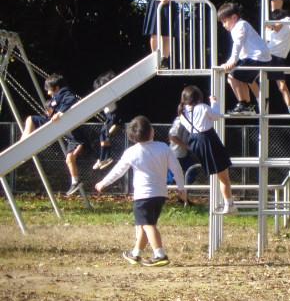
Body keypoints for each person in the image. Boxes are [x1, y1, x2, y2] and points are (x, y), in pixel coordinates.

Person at [95, 116, 185, 267]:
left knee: (147, 224)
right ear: (152, 131)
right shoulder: (163, 147)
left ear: (132, 137)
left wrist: (103, 183)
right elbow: (176, 168)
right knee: (145, 224)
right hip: (160, 195)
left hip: (143, 195)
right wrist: (181, 188)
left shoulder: (132, 152)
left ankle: (160, 254)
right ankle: (135, 253)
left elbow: (118, 171)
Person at [22, 73, 87, 196]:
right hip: (67, 133)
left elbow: (71, 100)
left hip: (76, 137)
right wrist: (52, 113)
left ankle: (75, 182)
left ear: (56, 88)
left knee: (69, 158)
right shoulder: (54, 99)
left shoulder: (64, 93)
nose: (48, 93)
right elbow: (52, 110)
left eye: (49, 90)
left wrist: (60, 113)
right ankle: (24, 142)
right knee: (31, 119)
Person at [177, 85, 237, 214]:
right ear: (198, 96)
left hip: (195, 142)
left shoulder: (182, 112)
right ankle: (229, 204)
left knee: (220, 175)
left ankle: (228, 203)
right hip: (208, 140)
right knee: (224, 177)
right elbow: (216, 116)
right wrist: (214, 102)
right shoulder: (202, 107)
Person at [218, 2, 272, 115]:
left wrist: (231, 62)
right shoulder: (240, 26)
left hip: (258, 57)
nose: (223, 25)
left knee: (231, 77)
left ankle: (245, 104)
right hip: (258, 57)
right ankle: (256, 102)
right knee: (244, 78)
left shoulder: (240, 25)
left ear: (234, 17)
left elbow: (237, 44)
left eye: (224, 21)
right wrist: (233, 63)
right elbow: (242, 50)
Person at [251, 10, 290, 115]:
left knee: (282, 86)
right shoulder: (269, 30)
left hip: (278, 59)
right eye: (273, 23)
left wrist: (285, 20)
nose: (275, 25)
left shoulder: (289, 24)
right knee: (249, 78)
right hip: (266, 56)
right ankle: (260, 101)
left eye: (277, 22)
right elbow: (264, 41)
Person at [92, 71, 123, 171]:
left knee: (104, 135)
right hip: (109, 116)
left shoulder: (111, 95)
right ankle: (102, 158)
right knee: (103, 135)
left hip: (113, 116)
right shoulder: (105, 96)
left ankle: (105, 158)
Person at [167, 115, 199, 185]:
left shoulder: (190, 121)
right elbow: (172, 136)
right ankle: (172, 189)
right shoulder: (179, 121)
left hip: (184, 154)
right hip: (175, 154)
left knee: (192, 173)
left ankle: (186, 188)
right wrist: (186, 146)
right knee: (172, 178)